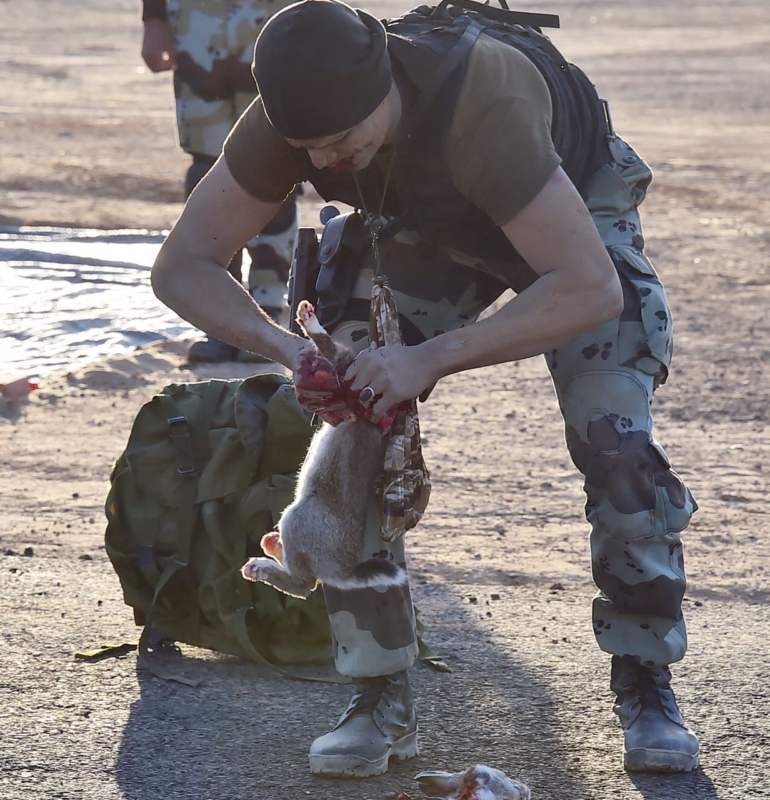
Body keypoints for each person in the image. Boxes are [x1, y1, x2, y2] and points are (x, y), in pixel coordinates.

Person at [151, 0, 701, 778]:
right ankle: (378, 690)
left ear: (383, 83)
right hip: (426, 227)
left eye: (345, 140)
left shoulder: (482, 101)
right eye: (314, 151)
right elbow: (181, 267)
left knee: (615, 442)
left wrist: (430, 357)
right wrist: (289, 350)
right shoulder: (290, 123)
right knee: (351, 425)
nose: (333, 162)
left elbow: (587, 288)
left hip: (567, 219)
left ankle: (645, 680)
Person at [140, 0, 299, 362]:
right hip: (199, 18)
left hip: (275, 14)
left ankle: (268, 313)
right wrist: (153, 16)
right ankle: (219, 321)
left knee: (279, 154)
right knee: (206, 163)